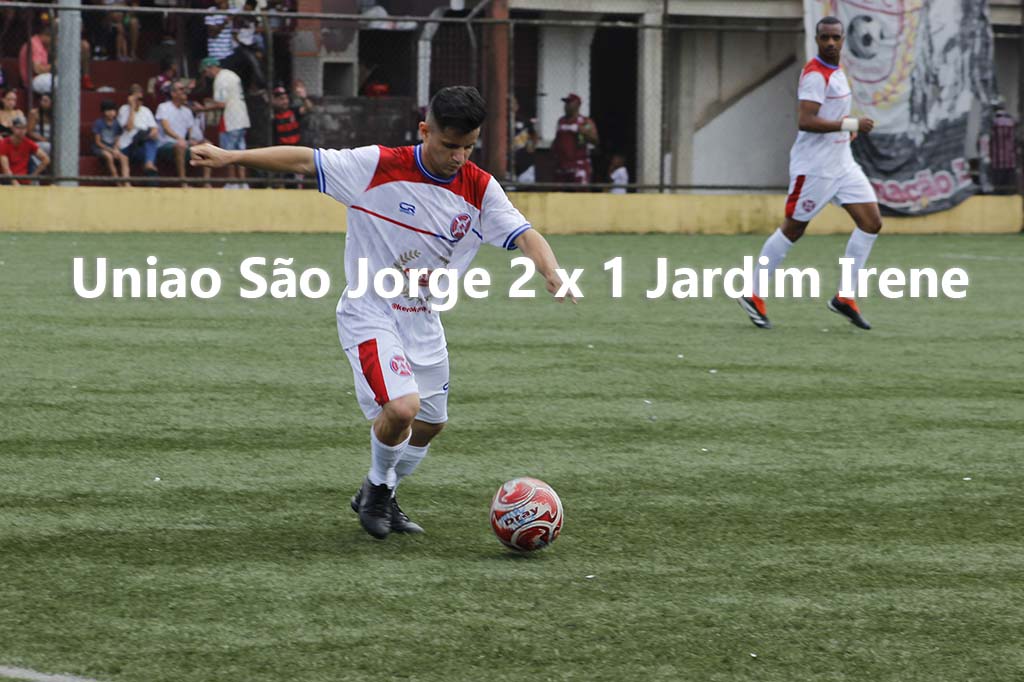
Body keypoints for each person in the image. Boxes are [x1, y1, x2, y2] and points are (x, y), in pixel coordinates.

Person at [189, 85, 573, 540]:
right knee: (402, 408)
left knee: (431, 424)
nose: (459, 157)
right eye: (450, 145)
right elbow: (304, 160)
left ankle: (383, 491)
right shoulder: (376, 165)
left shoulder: (479, 187)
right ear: (424, 130)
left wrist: (552, 270)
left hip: (423, 318)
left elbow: (525, 234)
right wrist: (231, 157)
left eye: (469, 147)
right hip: (369, 311)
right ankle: (376, 490)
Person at [738, 16, 882, 331]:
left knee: (871, 222)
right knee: (793, 229)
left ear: (843, 40)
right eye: (824, 37)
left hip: (842, 164)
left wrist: (846, 129)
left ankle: (845, 297)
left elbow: (831, 113)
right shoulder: (815, 75)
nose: (830, 42)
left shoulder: (837, 71)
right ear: (817, 40)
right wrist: (852, 124)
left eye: (835, 38)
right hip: (815, 169)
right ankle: (752, 293)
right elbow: (806, 120)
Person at [199, 56, 250, 188]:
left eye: (205, 71)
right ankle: (243, 182)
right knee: (241, 151)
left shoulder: (220, 79)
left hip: (230, 119)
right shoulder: (231, 74)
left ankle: (232, 182)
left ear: (210, 68)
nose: (206, 75)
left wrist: (203, 108)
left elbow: (221, 104)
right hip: (242, 116)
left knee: (228, 152)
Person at [156, 79, 211, 186]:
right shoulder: (163, 107)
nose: (184, 91)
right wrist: (180, 139)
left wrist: (192, 140)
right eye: (181, 89)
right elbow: (166, 128)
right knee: (181, 145)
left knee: (207, 145)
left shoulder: (187, 111)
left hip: (183, 143)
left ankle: (206, 182)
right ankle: (183, 182)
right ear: (173, 93)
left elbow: (190, 133)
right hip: (165, 143)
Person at [552, 93, 598, 186]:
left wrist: (584, 132)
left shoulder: (585, 122)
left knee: (580, 192)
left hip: (579, 166)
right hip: (562, 166)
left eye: (569, 103)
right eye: (565, 103)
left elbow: (595, 140)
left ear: (577, 104)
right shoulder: (561, 121)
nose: (566, 106)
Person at [117, 83, 159, 177]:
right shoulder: (124, 109)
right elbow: (129, 127)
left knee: (151, 145)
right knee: (143, 134)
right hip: (128, 146)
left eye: (141, 99)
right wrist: (132, 107)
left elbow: (154, 128)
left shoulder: (146, 110)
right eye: (137, 99)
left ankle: (149, 165)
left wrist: (153, 133)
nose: (139, 101)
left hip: (142, 144)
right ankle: (149, 162)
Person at [0, 115, 50, 184]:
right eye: (18, 128)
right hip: (7, 180)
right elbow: (6, 168)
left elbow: (46, 159)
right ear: (12, 128)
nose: (21, 131)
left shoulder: (28, 143)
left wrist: (33, 176)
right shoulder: (4, 143)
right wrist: (15, 183)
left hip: (24, 179)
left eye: (24, 128)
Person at [92, 99, 129, 185]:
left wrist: (116, 149)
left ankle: (126, 181)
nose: (111, 113)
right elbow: (98, 142)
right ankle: (117, 181)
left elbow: (117, 139)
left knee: (124, 158)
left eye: (113, 110)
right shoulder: (99, 123)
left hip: (112, 148)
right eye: (108, 111)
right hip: (100, 148)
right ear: (103, 112)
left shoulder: (116, 124)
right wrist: (111, 151)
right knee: (109, 157)